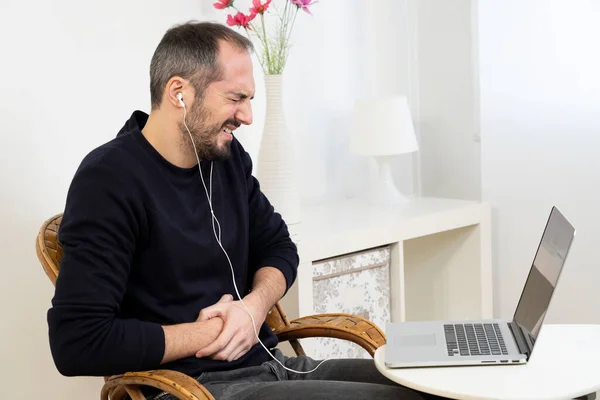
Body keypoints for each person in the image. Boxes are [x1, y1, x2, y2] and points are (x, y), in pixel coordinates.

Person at [47, 21, 438, 400]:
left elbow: (280, 247)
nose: (248, 116)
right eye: (236, 98)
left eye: (249, 100)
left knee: (438, 384)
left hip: (275, 367)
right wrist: (212, 331)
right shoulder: (109, 180)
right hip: (196, 388)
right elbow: (78, 340)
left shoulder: (226, 158)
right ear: (178, 92)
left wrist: (252, 309)